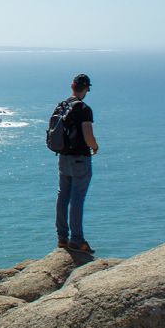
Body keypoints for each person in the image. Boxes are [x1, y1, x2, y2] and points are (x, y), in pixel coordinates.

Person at [54, 73, 99, 253]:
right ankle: (77, 240)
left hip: (63, 157)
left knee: (62, 196)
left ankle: (62, 238)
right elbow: (88, 136)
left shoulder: (62, 106)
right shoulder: (84, 109)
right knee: (77, 199)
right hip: (80, 158)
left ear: (72, 86)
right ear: (86, 88)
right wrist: (95, 146)